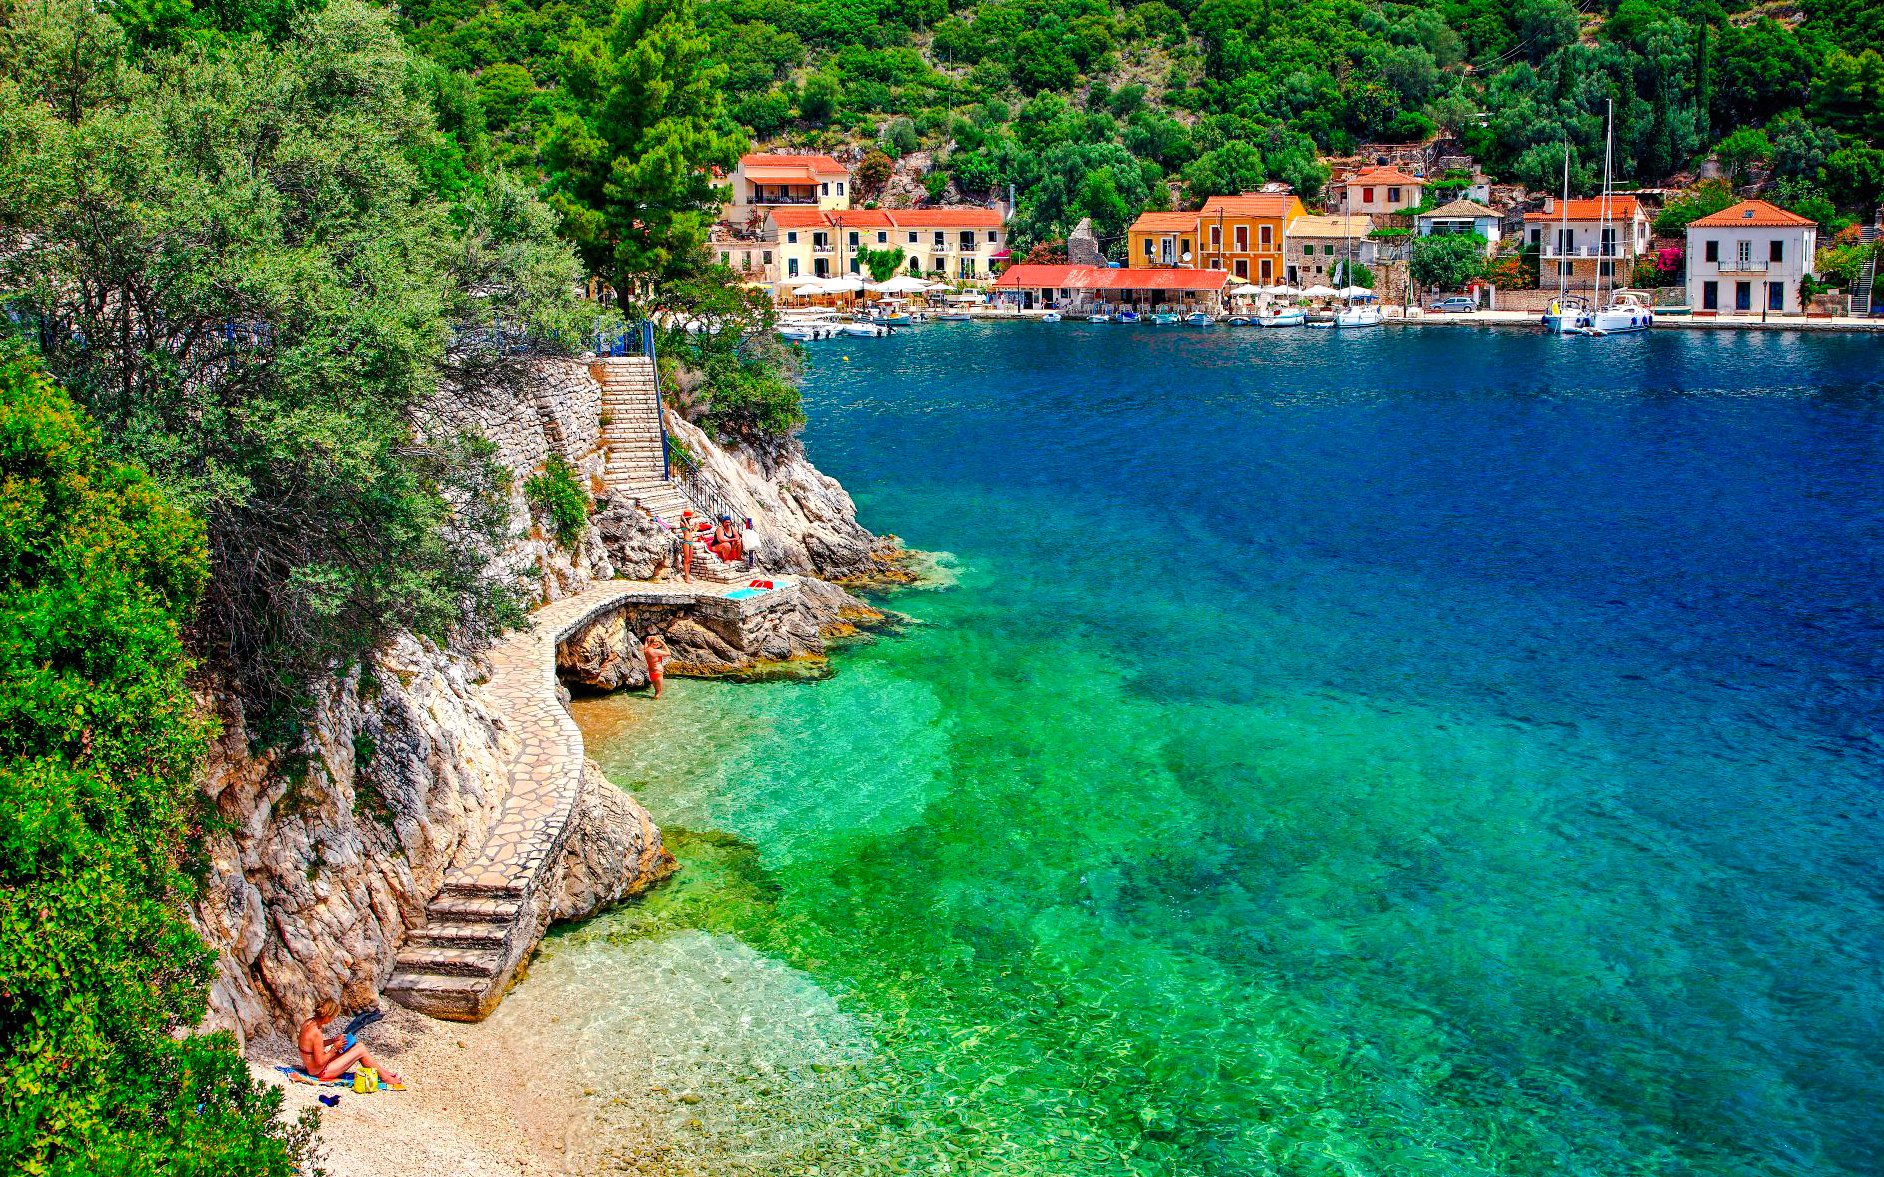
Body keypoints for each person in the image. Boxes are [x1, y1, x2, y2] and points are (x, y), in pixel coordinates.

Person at [298, 1000, 402, 1086]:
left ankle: (384, 1073)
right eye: (333, 1017)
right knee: (361, 1050)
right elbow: (320, 1062)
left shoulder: (308, 1023)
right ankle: (385, 1078)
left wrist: (334, 1040)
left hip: (313, 1069)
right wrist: (334, 1048)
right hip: (320, 1072)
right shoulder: (316, 1032)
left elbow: (314, 1046)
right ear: (328, 1016)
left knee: (359, 1046)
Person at [642, 631, 671, 698]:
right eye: (656, 643)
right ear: (652, 643)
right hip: (658, 672)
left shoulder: (646, 650)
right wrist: (662, 642)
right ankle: (655, 703)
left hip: (651, 673)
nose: (657, 644)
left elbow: (646, 641)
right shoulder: (655, 651)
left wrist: (648, 639)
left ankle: (653, 701)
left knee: (656, 691)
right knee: (659, 692)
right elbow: (669, 653)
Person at [675, 510, 695, 582]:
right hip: (686, 542)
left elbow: (689, 530)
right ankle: (686, 577)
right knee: (686, 560)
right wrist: (683, 519)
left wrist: (694, 527)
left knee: (690, 559)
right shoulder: (682, 523)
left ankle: (688, 575)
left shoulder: (688, 522)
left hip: (691, 541)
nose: (691, 518)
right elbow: (687, 527)